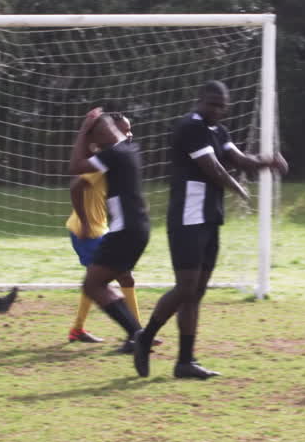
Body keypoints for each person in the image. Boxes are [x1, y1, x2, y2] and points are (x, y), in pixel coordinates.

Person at [132, 80, 288, 379]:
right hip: (187, 218)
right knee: (185, 287)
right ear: (200, 100)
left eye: (222, 106)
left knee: (197, 292)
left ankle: (185, 361)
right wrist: (238, 189)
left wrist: (268, 162)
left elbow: (240, 160)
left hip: (210, 217)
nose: (216, 110)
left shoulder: (220, 131)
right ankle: (145, 336)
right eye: (212, 104)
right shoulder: (190, 127)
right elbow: (212, 167)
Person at [66, 107, 151, 350]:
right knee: (102, 281)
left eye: (130, 129)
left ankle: (134, 333)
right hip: (88, 230)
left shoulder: (113, 157)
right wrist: (83, 221)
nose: (129, 134)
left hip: (109, 228)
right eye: (125, 129)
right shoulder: (107, 160)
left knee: (98, 282)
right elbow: (75, 186)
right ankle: (136, 333)